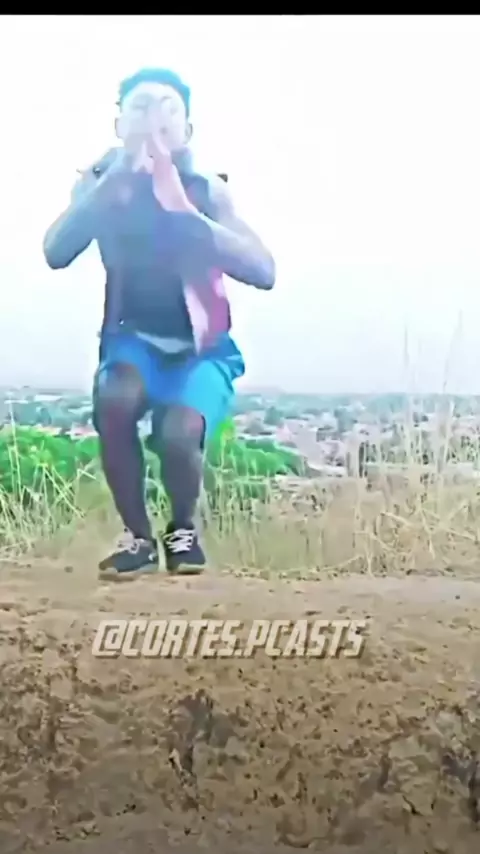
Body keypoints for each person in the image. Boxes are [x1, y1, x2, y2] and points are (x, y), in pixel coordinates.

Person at [43, 67, 275, 580]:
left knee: (179, 434)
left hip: (202, 348)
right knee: (115, 398)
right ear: (119, 126)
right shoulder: (99, 183)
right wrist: (116, 180)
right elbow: (57, 251)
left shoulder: (206, 190)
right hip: (132, 341)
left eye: (168, 110)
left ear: (187, 131)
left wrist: (191, 219)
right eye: (141, 108)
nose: (154, 120)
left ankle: (182, 530)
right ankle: (138, 538)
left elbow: (264, 271)